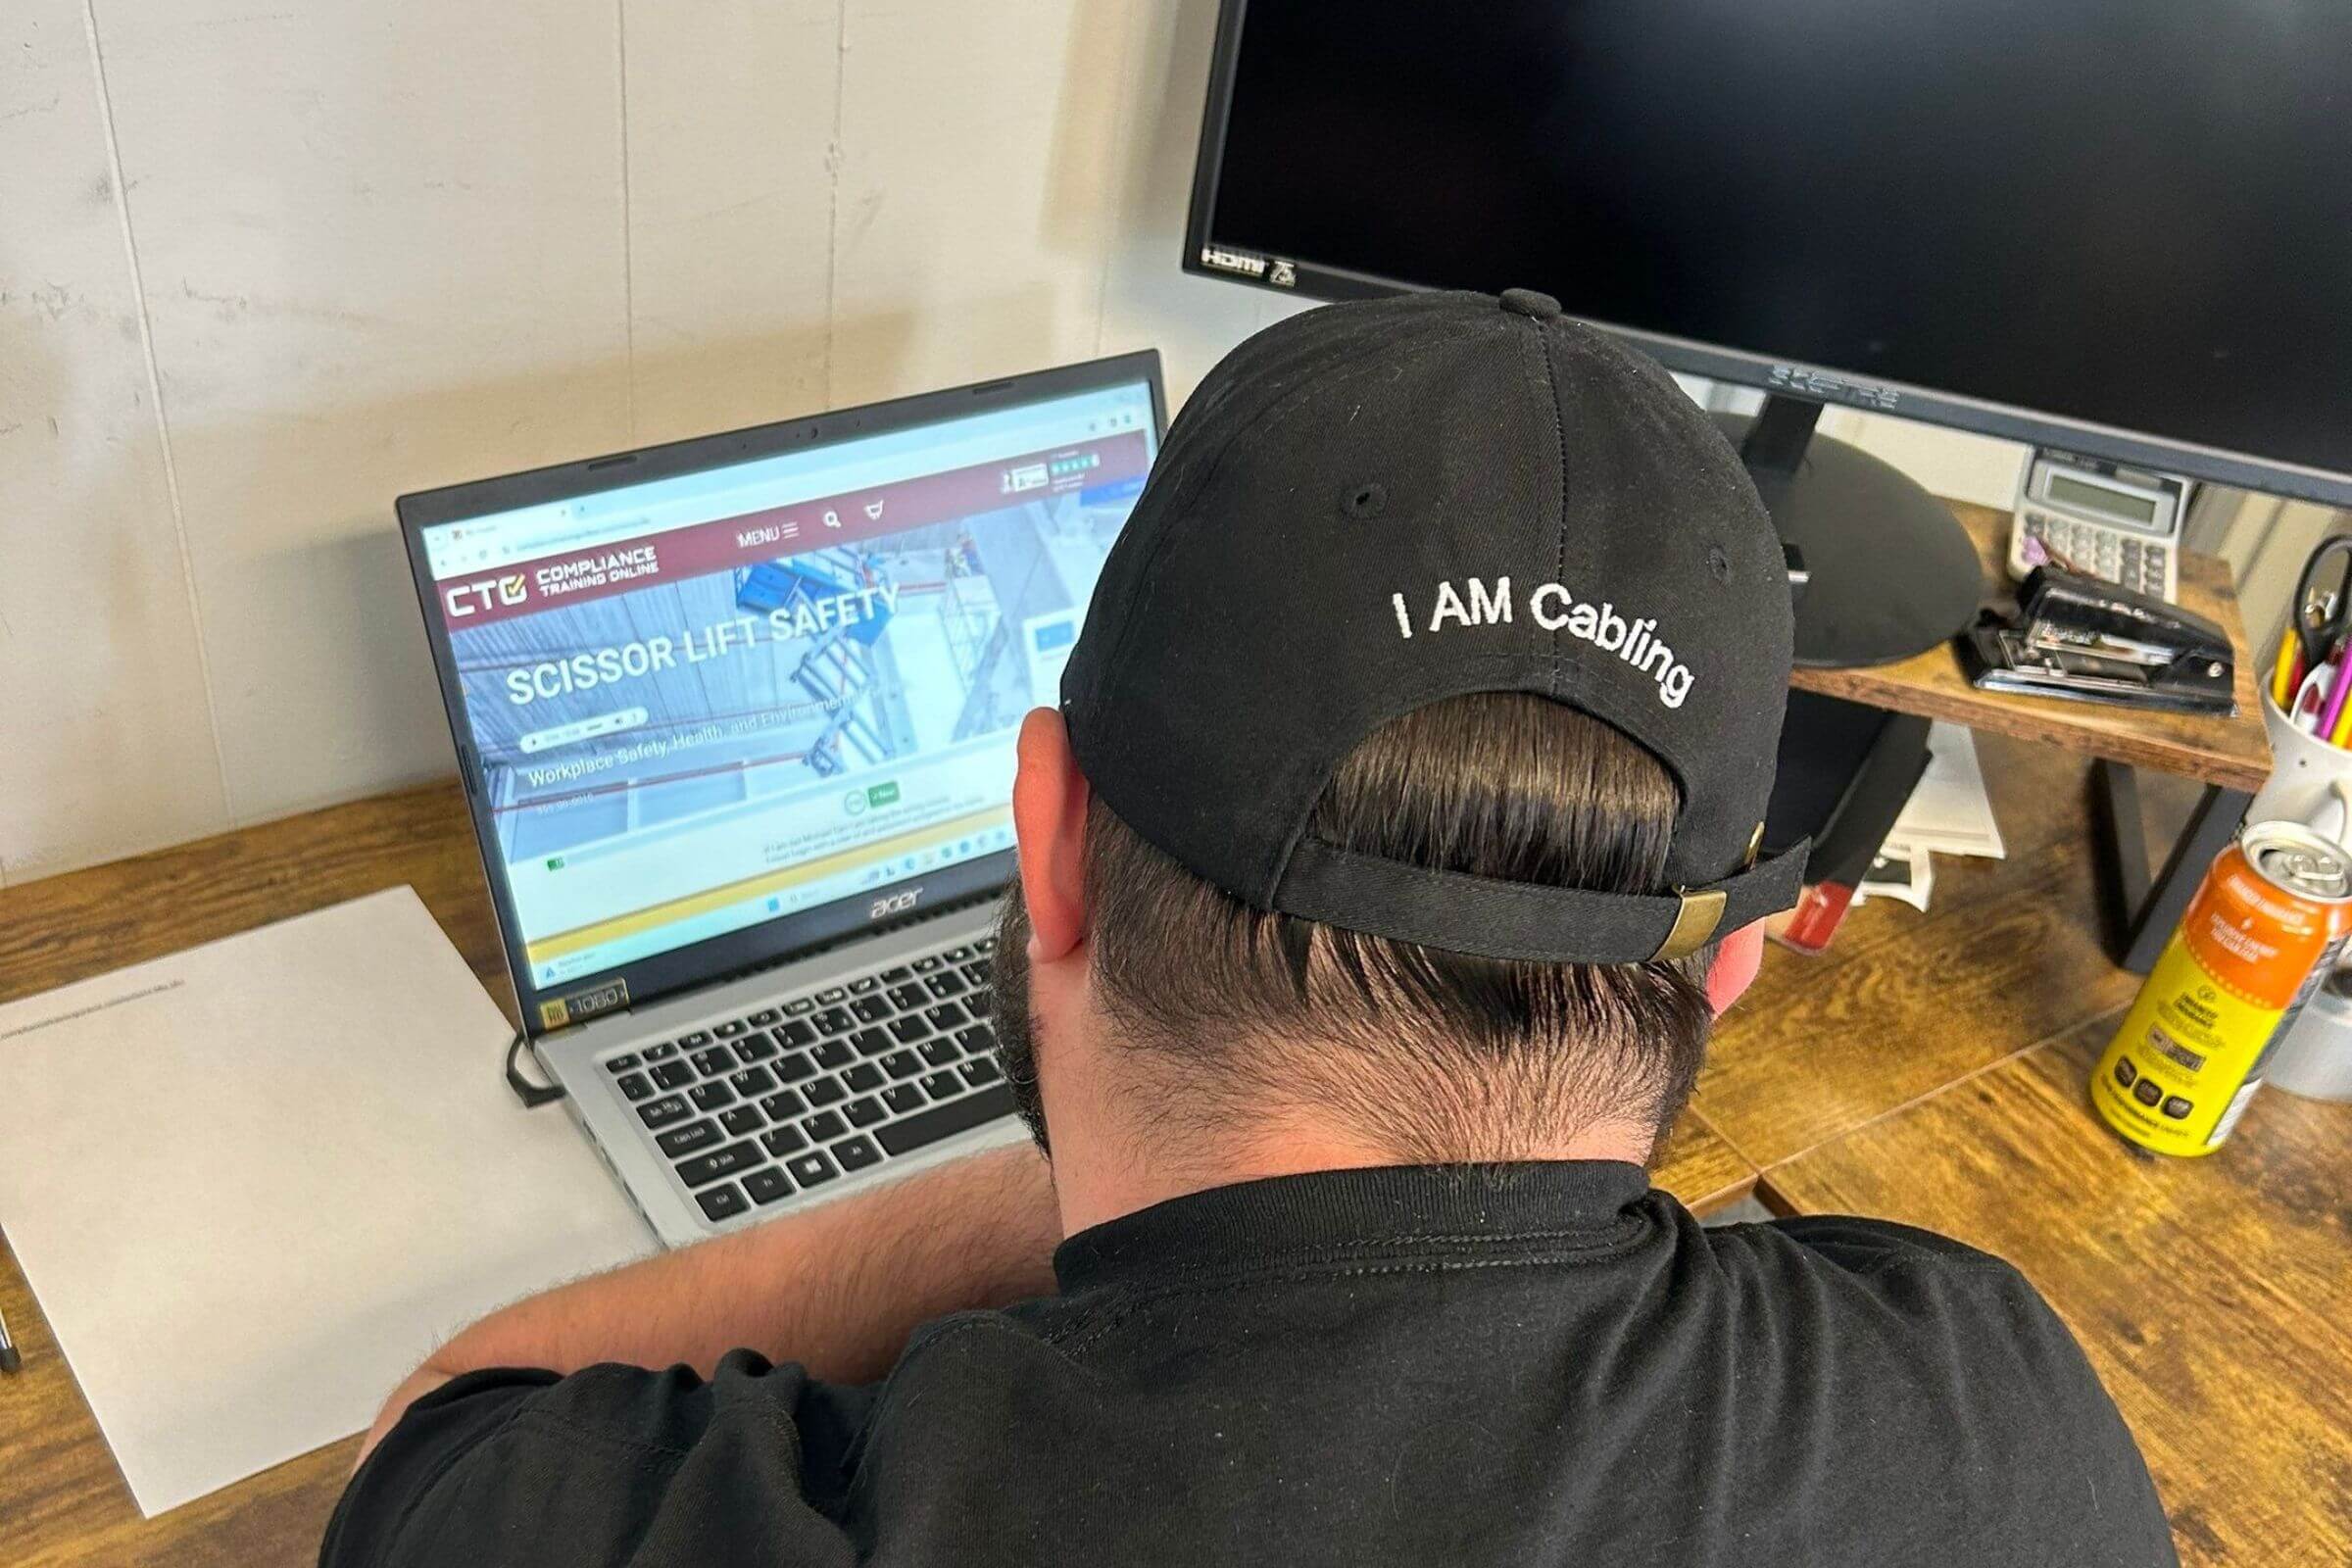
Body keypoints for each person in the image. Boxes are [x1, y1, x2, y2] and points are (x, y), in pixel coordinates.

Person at [322, 290, 2175, 1567]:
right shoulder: (2000, 1404)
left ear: (1044, 839)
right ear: (1740, 955)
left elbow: (428, 1443)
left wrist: (1055, 1217)